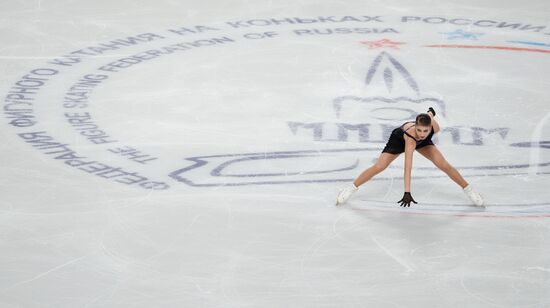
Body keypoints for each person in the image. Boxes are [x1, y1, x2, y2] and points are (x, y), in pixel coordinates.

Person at [336, 107, 485, 207]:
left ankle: (469, 190)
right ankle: (350, 188)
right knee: (380, 166)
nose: (421, 133)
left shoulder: (433, 127)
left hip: (423, 143)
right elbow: (408, 166)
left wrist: (430, 114)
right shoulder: (411, 138)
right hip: (399, 140)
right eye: (419, 129)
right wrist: (407, 191)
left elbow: (430, 116)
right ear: (416, 126)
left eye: (425, 130)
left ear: (430, 127)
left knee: (444, 165)